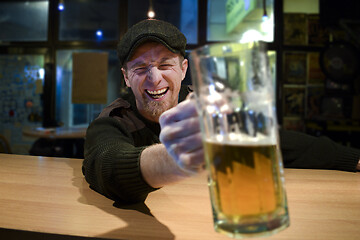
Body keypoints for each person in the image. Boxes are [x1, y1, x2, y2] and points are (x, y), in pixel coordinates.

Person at [82, 19, 360, 204]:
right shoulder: (113, 121)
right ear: (126, 78)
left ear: (184, 69)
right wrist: (176, 158)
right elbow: (106, 165)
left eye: (165, 65)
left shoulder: (209, 108)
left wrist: (354, 159)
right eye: (140, 68)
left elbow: (278, 141)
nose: (154, 78)